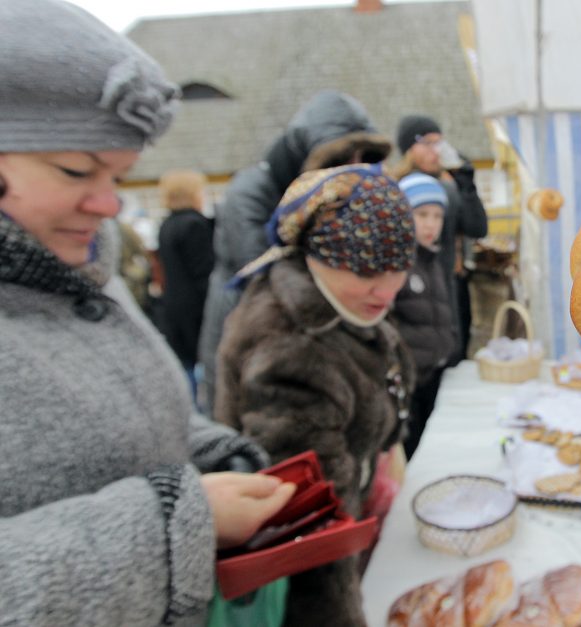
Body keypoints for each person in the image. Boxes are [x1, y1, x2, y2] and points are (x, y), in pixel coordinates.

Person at [0, 1, 296, 625]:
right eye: (76, 169)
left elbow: (139, 419)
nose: (109, 204)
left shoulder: (80, 266)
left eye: (121, 175)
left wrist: (217, 454)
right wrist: (177, 521)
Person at [214, 163, 417, 627]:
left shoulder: (344, 304)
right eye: (367, 269)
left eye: (399, 268)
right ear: (316, 255)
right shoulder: (290, 350)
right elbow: (312, 535)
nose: (386, 288)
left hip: (359, 518)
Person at [200, 90, 392, 413]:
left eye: (364, 158)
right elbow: (262, 271)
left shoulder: (333, 198)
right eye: (342, 158)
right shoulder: (249, 193)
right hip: (247, 332)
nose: (353, 169)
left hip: (308, 340)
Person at [394, 114, 489, 364]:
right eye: (427, 142)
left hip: (453, 284)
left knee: (456, 354)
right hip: (413, 288)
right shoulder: (398, 187)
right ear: (409, 148)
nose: (436, 150)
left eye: (440, 142)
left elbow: (477, 228)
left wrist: (468, 188)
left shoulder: (450, 185)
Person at [392, 172, 455, 460]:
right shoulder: (397, 264)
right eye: (421, 214)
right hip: (408, 382)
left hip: (433, 374)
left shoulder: (432, 259)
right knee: (413, 451)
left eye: (437, 216)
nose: (431, 224)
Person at [157, 169, 214, 400]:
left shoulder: (166, 225)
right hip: (196, 308)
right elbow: (203, 273)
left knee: (186, 364)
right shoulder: (194, 225)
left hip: (173, 304)